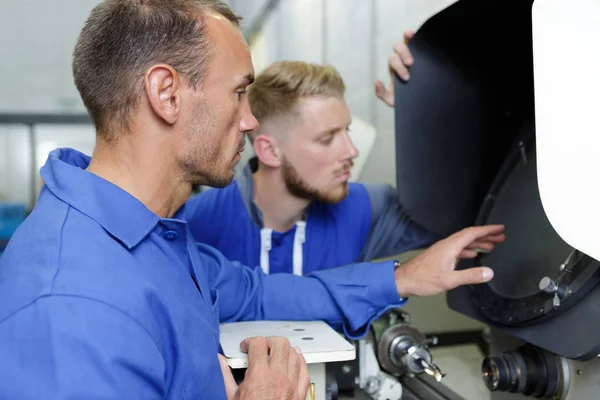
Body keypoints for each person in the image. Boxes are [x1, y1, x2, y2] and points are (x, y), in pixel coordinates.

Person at [0, 1, 504, 399]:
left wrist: (404, 277)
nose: (249, 120)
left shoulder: (162, 241)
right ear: (166, 93)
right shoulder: (65, 307)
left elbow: (263, 294)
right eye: (239, 93)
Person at [184, 47, 436, 276]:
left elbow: (460, 218)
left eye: (346, 131)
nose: (352, 151)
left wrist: (421, 110)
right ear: (270, 151)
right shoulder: (196, 225)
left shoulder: (366, 208)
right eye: (327, 139)